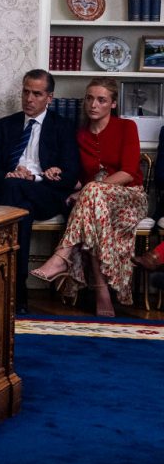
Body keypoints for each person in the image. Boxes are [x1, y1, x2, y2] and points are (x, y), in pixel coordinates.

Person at [31, 77, 147, 317]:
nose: (93, 104)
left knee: (92, 192)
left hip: (129, 198)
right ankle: (102, 291)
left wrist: (88, 189)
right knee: (93, 213)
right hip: (95, 203)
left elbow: (127, 173)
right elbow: (78, 177)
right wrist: (58, 171)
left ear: (112, 104)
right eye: (89, 98)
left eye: (101, 100)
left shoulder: (126, 127)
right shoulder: (79, 136)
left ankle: (62, 255)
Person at [0, 69, 80, 315]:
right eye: (26, 92)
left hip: (46, 195)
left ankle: (3, 289)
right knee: (20, 210)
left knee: (13, 191)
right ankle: (18, 292)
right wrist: (11, 174)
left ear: (49, 97)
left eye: (36, 94)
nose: (29, 98)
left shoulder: (63, 126)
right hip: (16, 194)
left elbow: (70, 176)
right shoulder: (5, 125)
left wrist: (36, 176)